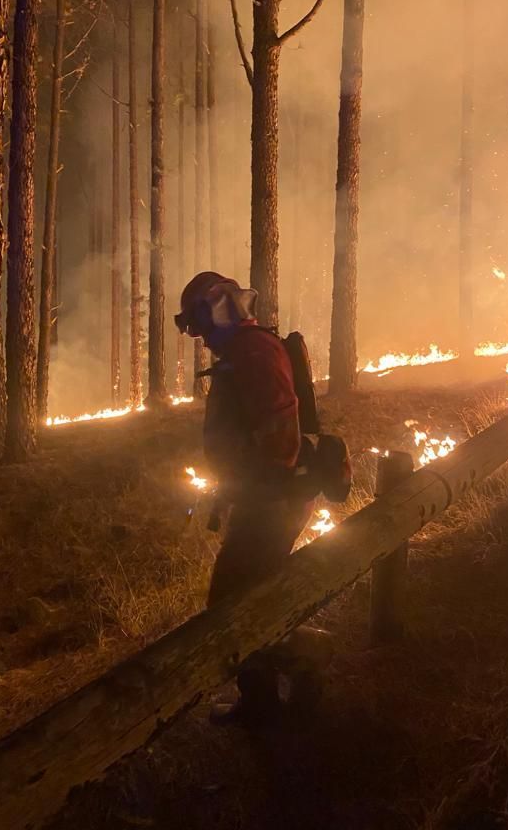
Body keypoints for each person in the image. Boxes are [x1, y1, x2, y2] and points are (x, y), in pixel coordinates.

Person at [175, 271, 333, 726]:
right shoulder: (244, 350)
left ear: (216, 312)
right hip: (265, 498)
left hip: (273, 502)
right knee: (250, 598)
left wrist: (259, 496)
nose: (201, 338)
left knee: (230, 608)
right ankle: (260, 701)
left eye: (200, 326)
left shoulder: (254, 352)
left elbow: (280, 434)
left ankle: (309, 650)